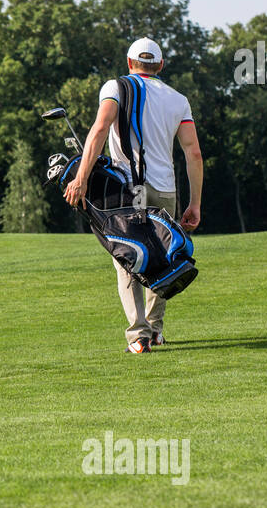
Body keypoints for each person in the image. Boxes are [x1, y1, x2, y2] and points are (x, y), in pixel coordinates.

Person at [63, 37, 203, 354]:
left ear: (129, 63)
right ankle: (155, 330)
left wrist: (82, 178)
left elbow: (100, 129)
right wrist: (194, 203)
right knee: (163, 254)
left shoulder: (115, 87)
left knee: (128, 257)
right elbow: (193, 153)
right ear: (161, 66)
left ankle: (138, 335)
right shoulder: (178, 99)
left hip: (128, 189)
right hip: (165, 188)